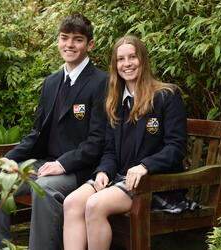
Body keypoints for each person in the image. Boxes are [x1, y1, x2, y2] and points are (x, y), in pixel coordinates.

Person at [0, 14, 108, 250]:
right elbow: (37, 133)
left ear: (90, 45)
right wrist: (10, 158)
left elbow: (98, 142)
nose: (69, 44)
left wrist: (63, 164)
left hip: (81, 169)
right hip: (46, 164)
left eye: (77, 40)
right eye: (64, 38)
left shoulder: (102, 83)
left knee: (45, 188)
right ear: (58, 41)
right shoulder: (51, 82)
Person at [63, 34, 188, 250]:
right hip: (119, 179)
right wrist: (103, 171)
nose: (127, 64)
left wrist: (146, 166)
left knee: (94, 205)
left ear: (143, 60)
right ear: (115, 65)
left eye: (133, 57)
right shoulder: (116, 101)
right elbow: (109, 150)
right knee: (72, 203)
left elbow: (176, 147)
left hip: (154, 184)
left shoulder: (166, 95)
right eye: (121, 59)